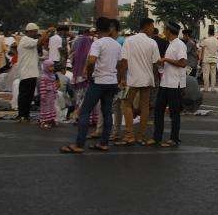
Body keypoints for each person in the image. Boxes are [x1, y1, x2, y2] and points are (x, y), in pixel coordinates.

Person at [61, 17, 121, 153]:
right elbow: (121, 64)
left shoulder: (98, 43)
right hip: (111, 82)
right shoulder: (116, 44)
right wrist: (119, 78)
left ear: (98, 28)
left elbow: (91, 61)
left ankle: (79, 144)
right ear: (110, 29)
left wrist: (89, 74)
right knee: (107, 113)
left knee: (85, 111)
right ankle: (104, 142)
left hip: (98, 81)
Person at [116, 17, 160, 146]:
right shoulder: (152, 43)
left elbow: (124, 61)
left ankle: (129, 134)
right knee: (145, 106)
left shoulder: (129, 41)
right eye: (152, 27)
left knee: (126, 104)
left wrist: (122, 78)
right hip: (147, 79)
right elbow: (156, 62)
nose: (153, 29)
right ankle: (140, 135)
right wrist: (155, 78)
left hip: (132, 79)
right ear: (146, 27)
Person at [152, 21, 188, 147]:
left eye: (165, 30)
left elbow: (183, 63)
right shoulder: (170, 44)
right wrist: (161, 64)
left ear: (169, 31)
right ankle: (157, 137)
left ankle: (174, 139)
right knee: (158, 111)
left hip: (174, 84)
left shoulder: (179, 45)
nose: (163, 32)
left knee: (174, 113)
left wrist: (166, 59)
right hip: (165, 82)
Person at [14, 23, 41, 122]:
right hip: (27, 72)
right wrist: (47, 33)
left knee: (28, 96)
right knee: (25, 95)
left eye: (36, 32)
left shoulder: (30, 41)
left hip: (31, 72)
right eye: (33, 32)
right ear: (28, 32)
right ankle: (22, 114)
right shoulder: (26, 40)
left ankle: (25, 114)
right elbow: (39, 42)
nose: (35, 33)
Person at [38, 58, 59, 129]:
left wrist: (55, 92)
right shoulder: (44, 77)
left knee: (52, 107)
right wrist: (43, 95)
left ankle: (51, 119)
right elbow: (42, 87)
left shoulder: (52, 76)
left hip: (51, 95)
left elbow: (54, 85)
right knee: (46, 108)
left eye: (53, 66)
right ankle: (44, 121)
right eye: (51, 66)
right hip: (46, 96)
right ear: (46, 67)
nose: (52, 68)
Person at [199, 25, 218, 92]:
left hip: (206, 59)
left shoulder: (205, 40)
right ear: (214, 33)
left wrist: (200, 59)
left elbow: (201, 48)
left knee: (206, 74)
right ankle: (213, 88)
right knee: (213, 74)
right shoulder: (217, 40)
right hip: (214, 58)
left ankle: (206, 88)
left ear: (208, 33)